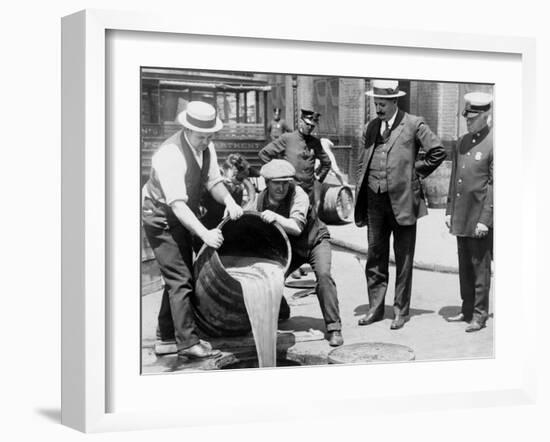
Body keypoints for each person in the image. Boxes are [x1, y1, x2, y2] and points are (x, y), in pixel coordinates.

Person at [142, 101, 243, 359]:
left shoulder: (207, 147)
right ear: (187, 129)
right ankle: (187, 343)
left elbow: (213, 181)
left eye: (210, 136)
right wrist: (205, 234)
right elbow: (177, 204)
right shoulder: (170, 154)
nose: (205, 142)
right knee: (180, 278)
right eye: (201, 137)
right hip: (160, 215)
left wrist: (229, 200)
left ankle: (166, 338)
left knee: (179, 275)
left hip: (178, 213)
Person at [354, 80, 446, 330]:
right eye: (375, 104)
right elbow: (363, 163)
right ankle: (375, 307)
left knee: (404, 259)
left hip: (404, 201)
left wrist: (414, 172)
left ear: (395, 101)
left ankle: (400, 311)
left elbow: (438, 151)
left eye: (382, 104)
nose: (378, 109)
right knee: (375, 255)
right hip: (375, 200)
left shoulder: (414, 123)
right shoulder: (371, 127)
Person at [256, 159, 344, 347]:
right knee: (271, 276)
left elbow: (296, 227)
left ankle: (334, 327)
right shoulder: (261, 199)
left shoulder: (299, 194)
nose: (281, 187)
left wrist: (276, 217)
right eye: (276, 183)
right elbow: (247, 214)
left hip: (315, 242)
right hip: (292, 248)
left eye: (285, 182)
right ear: (267, 183)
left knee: (324, 276)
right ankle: (281, 310)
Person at [445, 92, 493, 332]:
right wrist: (448, 210)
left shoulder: (495, 142)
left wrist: (486, 219)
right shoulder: (462, 141)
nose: (468, 121)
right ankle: (466, 309)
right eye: (467, 117)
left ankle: (479, 314)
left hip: (479, 217)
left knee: (480, 268)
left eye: (473, 118)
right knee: (464, 266)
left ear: (486, 116)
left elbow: (495, 185)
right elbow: (455, 178)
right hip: (462, 215)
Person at [259, 109, 331, 207]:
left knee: (309, 218)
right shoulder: (288, 138)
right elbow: (264, 154)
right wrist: (277, 174)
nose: (310, 128)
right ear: (300, 122)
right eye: (307, 124)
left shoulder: (315, 143)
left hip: (308, 192)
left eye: (312, 126)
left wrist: (318, 178)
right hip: (289, 191)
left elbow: (326, 163)